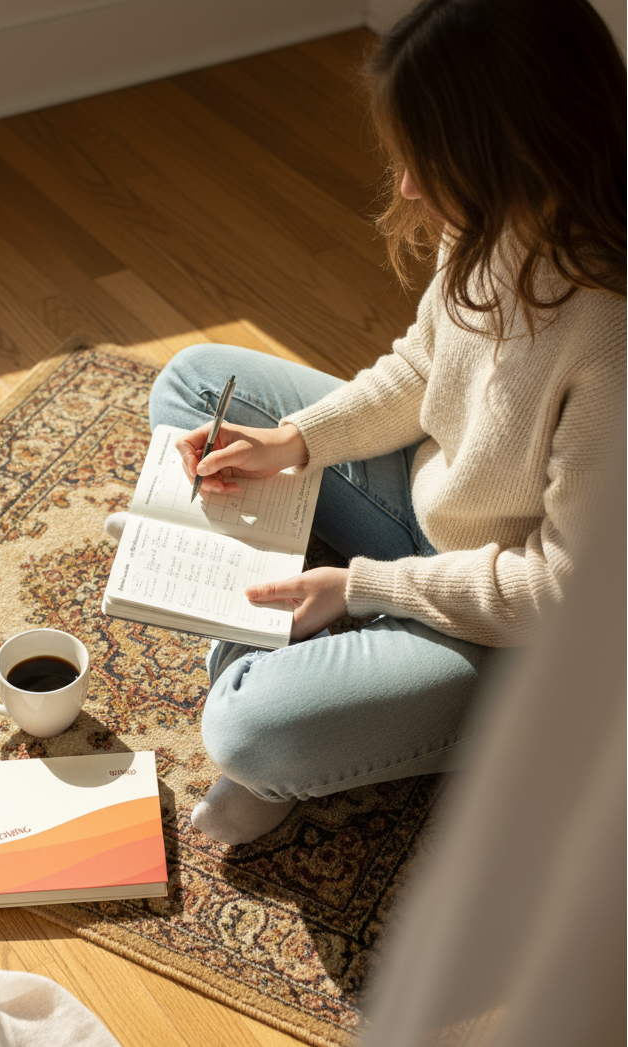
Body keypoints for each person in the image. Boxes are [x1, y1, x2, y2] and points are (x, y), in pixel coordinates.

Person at [108, 0, 626, 845]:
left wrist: (359, 588)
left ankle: (297, 643)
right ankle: (306, 627)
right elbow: (425, 364)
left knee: (247, 730)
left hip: (531, 639)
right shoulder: (494, 218)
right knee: (195, 384)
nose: (412, 187)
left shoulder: (612, 336)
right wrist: (294, 442)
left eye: (429, 160)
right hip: (434, 517)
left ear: (515, 145)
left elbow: (559, 593)